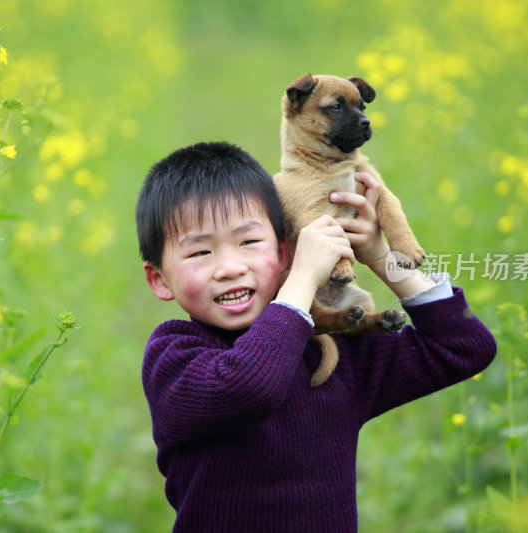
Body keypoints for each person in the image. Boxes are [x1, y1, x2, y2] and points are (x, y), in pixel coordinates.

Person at [135, 141, 496, 532]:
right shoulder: (174, 357)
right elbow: (249, 385)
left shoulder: (331, 354)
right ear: (159, 279)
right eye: (200, 253)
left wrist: (378, 255)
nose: (230, 268)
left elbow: (463, 347)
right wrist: (304, 279)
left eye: (249, 242)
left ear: (285, 251)